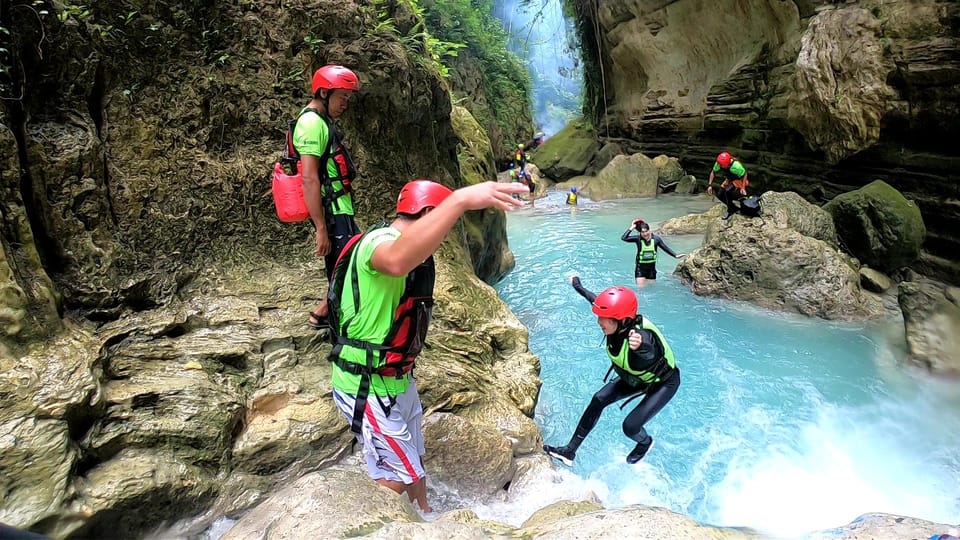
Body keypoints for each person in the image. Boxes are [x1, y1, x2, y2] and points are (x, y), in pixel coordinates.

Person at [329, 179, 527, 513]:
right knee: (395, 473)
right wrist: (461, 200)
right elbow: (395, 261)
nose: (441, 237)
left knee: (413, 453)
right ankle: (375, 524)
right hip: (366, 380)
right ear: (429, 213)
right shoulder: (380, 242)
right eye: (441, 223)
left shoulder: (406, 248)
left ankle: (425, 512)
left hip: (394, 377)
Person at [544, 277, 681, 465]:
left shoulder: (640, 338)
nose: (599, 322)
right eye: (599, 317)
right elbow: (592, 298)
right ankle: (569, 452)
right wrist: (577, 285)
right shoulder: (617, 322)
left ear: (622, 320)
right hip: (636, 378)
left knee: (630, 427)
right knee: (598, 399)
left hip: (664, 382)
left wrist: (641, 346)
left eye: (604, 319)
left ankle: (645, 443)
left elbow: (649, 351)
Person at [295, 64, 363, 330]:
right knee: (344, 266)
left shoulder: (321, 121)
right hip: (332, 211)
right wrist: (321, 228)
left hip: (339, 208)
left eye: (348, 97)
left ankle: (325, 313)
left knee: (348, 260)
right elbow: (309, 178)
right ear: (324, 92)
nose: (345, 103)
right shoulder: (312, 123)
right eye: (342, 96)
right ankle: (329, 318)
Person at [621, 219, 686, 288]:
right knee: (641, 290)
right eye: (642, 232)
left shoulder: (656, 239)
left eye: (646, 231)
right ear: (640, 232)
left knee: (651, 289)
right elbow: (624, 238)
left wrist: (675, 255)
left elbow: (665, 248)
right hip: (640, 269)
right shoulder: (638, 239)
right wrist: (632, 227)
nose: (645, 234)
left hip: (651, 270)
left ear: (649, 230)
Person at [706, 151, 749, 220]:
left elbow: (744, 174)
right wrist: (710, 185)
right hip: (729, 179)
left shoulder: (736, 166)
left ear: (727, 163)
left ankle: (729, 211)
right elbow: (713, 172)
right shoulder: (719, 163)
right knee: (720, 194)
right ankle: (734, 208)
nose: (720, 166)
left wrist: (743, 187)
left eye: (722, 165)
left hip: (739, 179)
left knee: (727, 191)